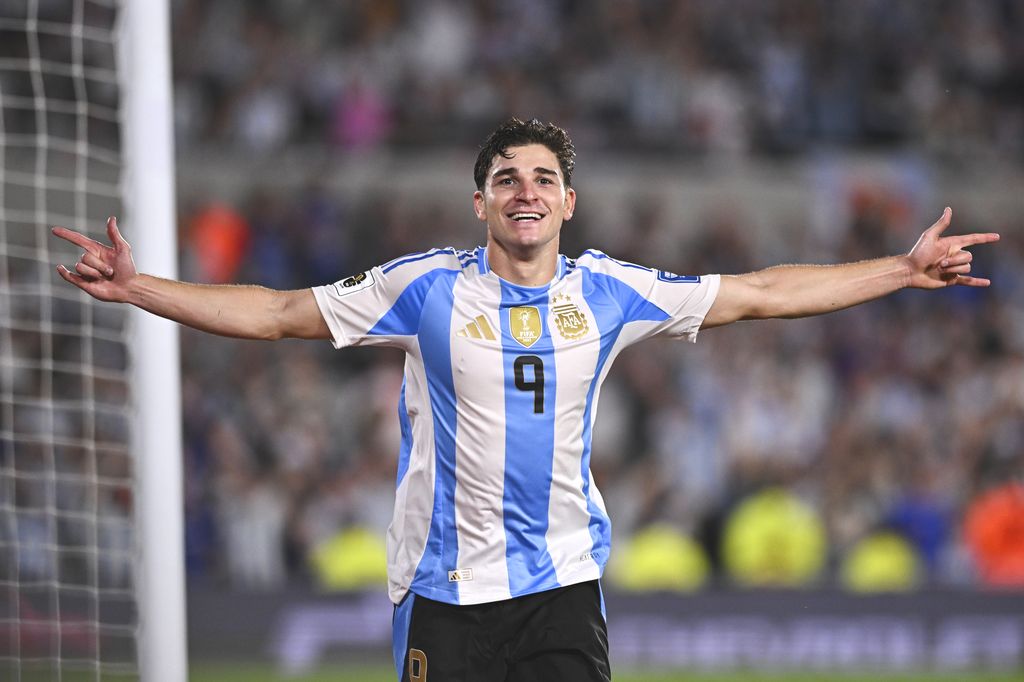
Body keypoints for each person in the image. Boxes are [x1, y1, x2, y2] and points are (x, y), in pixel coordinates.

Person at [53, 118, 998, 682]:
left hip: (561, 589)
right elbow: (278, 313)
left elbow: (761, 292)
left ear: (570, 203)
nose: (526, 190)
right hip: (443, 596)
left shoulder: (610, 292)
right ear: (480, 205)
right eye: (506, 178)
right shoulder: (422, 288)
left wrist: (900, 272)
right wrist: (143, 288)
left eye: (544, 177)